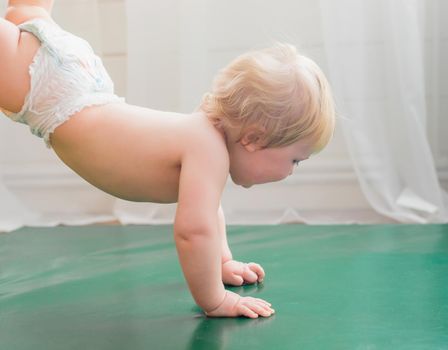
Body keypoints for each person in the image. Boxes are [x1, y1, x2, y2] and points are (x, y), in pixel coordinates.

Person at [0, 0, 336, 318]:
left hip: (76, 78)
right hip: (52, 91)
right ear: (253, 138)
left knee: (26, 11)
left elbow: (208, 212)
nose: (291, 172)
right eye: (295, 160)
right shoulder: (207, 149)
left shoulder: (204, 141)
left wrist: (221, 262)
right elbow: (194, 232)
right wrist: (215, 299)